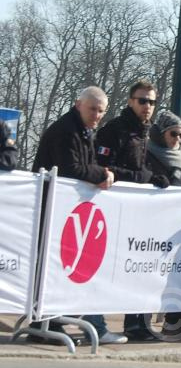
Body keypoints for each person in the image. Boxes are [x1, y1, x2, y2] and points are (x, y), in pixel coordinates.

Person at [31, 86, 126, 345]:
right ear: (78, 104)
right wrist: (101, 176)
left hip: (65, 211)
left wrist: (99, 173)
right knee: (50, 264)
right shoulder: (66, 130)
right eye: (92, 109)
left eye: (101, 111)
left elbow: (85, 165)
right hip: (52, 208)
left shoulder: (83, 130)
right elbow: (71, 168)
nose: (96, 115)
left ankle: (53, 320)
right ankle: (43, 322)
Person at [97, 80, 169, 341]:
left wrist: (153, 177)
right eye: (142, 100)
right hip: (112, 210)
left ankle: (136, 322)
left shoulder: (146, 132)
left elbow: (139, 170)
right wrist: (144, 178)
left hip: (136, 212)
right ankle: (97, 324)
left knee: (137, 267)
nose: (147, 106)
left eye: (151, 102)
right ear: (130, 101)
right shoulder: (115, 129)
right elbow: (105, 167)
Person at [145, 110, 181, 340]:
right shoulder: (149, 153)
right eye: (174, 134)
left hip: (175, 226)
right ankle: (139, 322)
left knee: (176, 276)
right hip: (153, 224)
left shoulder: (178, 156)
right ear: (161, 133)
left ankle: (177, 321)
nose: (178, 139)